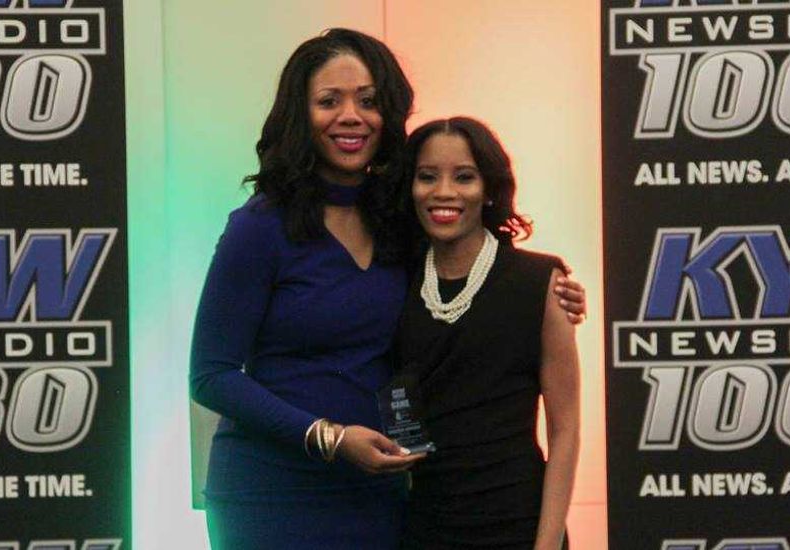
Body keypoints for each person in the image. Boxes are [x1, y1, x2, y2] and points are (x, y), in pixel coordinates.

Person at [190, 29, 586, 550]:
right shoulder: (260, 226)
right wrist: (329, 437)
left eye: (368, 101)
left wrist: (552, 290)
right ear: (299, 114)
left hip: (378, 494)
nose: (351, 116)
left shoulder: (397, 219)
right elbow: (211, 375)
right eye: (329, 101)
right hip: (272, 493)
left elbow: (473, 268)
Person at [397, 117, 581, 550]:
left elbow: (565, 430)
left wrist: (547, 544)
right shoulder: (394, 281)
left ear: (490, 189)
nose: (444, 192)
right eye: (427, 176)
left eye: (464, 177)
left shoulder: (540, 282)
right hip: (424, 528)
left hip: (518, 525)